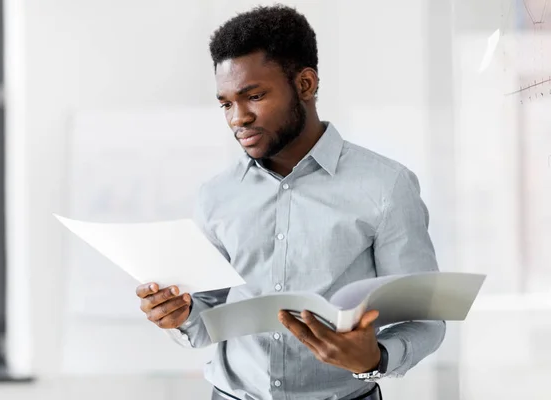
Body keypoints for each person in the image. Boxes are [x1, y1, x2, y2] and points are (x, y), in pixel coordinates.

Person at [136, 5, 446, 400]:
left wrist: (376, 357)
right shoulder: (216, 195)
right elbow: (205, 321)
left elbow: (425, 319)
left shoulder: (386, 185)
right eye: (226, 103)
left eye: (254, 96)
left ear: (305, 84)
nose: (238, 118)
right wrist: (178, 316)